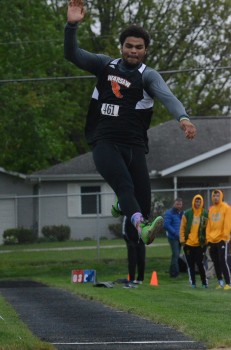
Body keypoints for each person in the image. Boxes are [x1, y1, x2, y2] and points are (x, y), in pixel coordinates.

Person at [64, 0, 197, 246]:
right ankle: (142, 228)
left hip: (134, 145)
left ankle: (124, 205)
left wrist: (184, 118)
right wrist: (71, 26)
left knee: (143, 202)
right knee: (125, 187)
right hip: (104, 141)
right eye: (129, 46)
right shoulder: (105, 65)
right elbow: (73, 54)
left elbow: (168, 97)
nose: (133, 51)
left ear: (145, 50)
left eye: (138, 47)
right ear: (122, 47)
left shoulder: (148, 75)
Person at [180, 194, 208, 288]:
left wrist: (206, 241)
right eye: (196, 201)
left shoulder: (205, 213)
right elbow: (182, 228)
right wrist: (183, 241)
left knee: (200, 264)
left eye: (199, 201)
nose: (198, 203)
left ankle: (204, 283)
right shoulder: (187, 213)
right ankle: (193, 283)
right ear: (193, 202)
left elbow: (207, 228)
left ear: (202, 202)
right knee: (190, 265)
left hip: (199, 245)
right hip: (188, 244)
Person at [206, 189, 231, 290]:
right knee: (215, 261)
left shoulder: (226, 208)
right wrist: (208, 237)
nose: (216, 197)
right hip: (212, 239)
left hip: (222, 239)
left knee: (222, 261)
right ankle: (220, 282)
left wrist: (225, 236)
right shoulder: (211, 209)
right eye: (214, 196)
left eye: (217, 195)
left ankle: (228, 283)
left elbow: (228, 223)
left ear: (221, 196)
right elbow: (209, 225)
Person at [122, 216, 146, 286]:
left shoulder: (142, 215)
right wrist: (128, 241)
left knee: (142, 260)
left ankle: (140, 279)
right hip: (131, 241)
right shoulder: (127, 215)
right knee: (132, 260)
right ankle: (132, 279)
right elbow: (124, 230)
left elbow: (146, 227)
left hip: (141, 241)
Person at [164, 198, 184, 277]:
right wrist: (175, 233)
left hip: (180, 237)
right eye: (177, 204)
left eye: (180, 204)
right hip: (173, 237)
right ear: (174, 204)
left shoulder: (182, 213)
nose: (178, 206)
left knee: (177, 255)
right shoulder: (169, 213)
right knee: (175, 254)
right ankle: (174, 273)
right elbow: (166, 225)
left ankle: (173, 271)